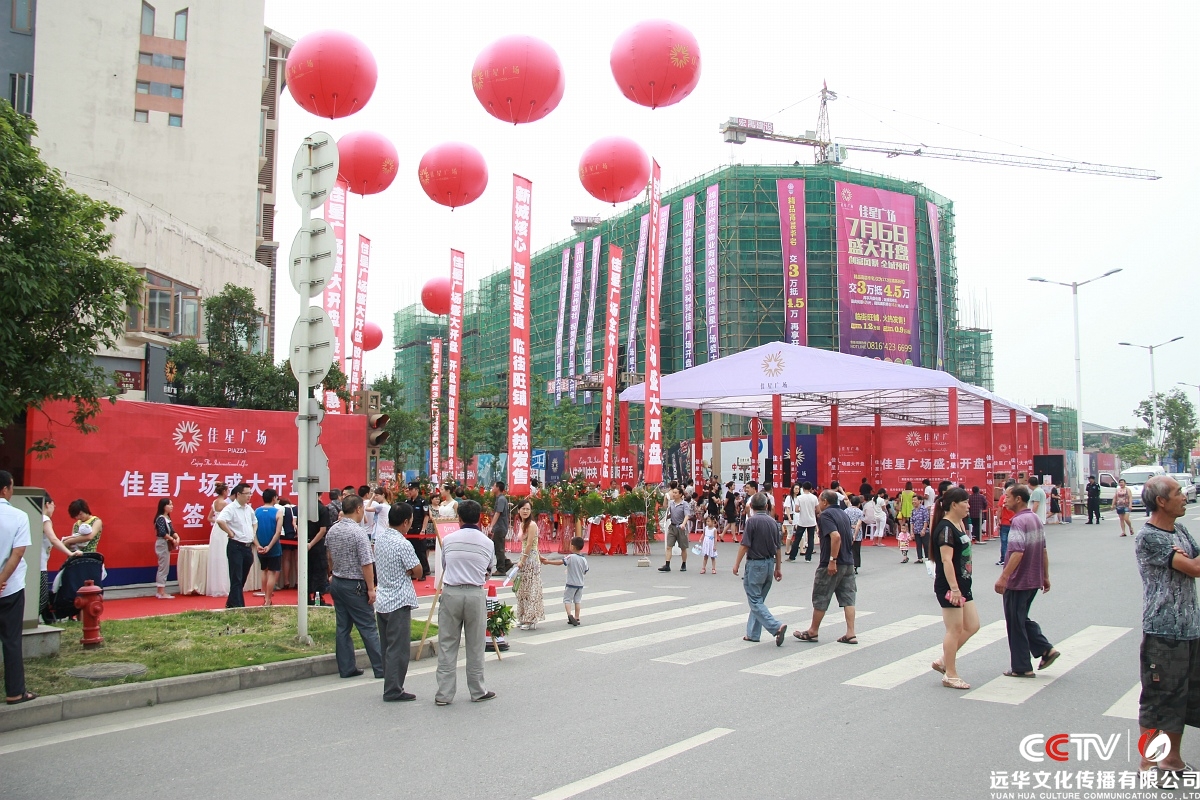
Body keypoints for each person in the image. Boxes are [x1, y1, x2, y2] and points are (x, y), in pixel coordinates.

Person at [1134, 476, 1200, 779]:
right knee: (1157, 698)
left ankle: (1171, 759)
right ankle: (1148, 763)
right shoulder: (1149, 536)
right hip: (1163, 630)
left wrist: (1189, 561)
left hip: (1189, 627)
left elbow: (1194, 560)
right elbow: (1195, 567)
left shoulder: (1180, 530)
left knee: (1182, 695)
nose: (1184, 496)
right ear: (1161, 501)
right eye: (1178, 492)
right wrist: (1188, 562)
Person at [994, 484, 1058, 678]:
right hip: (1033, 579)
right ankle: (1045, 649)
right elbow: (1043, 550)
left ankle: (1022, 666)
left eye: (1008, 497)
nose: (1005, 501)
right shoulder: (1035, 519)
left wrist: (1004, 577)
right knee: (1020, 618)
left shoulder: (1018, 521)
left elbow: (1017, 552)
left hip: (1018, 581)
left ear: (1018, 499)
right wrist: (1045, 576)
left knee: (1015, 623)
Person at [435, 499, 495, 705]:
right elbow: (489, 569)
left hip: (451, 592)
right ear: (479, 518)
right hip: (475, 593)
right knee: (476, 645)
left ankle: (444, 693)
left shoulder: (449, 540)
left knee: (447, 644)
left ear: (458, 518)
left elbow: (445, 565)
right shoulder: (488, 543)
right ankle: (477, 690)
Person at [325, 494, 384, 679]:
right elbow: (367, 563)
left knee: (343, 627)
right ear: (358, 509)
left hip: (337, 581)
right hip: (355, 584)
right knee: (368, 626)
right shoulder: (358, 533)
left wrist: (332, 572)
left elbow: (329, 555)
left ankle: (346, 667)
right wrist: (371, 588)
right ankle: (382, 668)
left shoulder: (333, 529)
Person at [930, 487, 981, 689]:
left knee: (973, 625)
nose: (968, 506)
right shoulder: (945, 529)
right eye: (965, 502)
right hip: (951, 586)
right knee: (954, 629)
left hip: (963, 584)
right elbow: (946, 560)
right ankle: (950, 674)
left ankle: (944, 660)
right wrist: (954, 588)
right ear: (953, 505)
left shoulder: (958, 524)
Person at [794, 490, 857, 644]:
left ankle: (813, 631)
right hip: (848, 562)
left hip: (832, 563)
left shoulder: (826, 515)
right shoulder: (844, 514)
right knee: (848, 599)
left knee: (821, 596)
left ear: (824, 501)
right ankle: (851, 633)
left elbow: (836, 536)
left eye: (819, 500)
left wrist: (832, 560)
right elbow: (850, 537)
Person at [375, 502, 422, 702]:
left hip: (383, 598)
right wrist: (409, 570)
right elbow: (418, 570)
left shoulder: (380, 538)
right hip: (399, 600)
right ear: (405, 522)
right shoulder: (403, 544)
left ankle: (390, 683)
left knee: (387, 646)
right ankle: (393, 689)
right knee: (399, 648)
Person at [731, 493, 787, 645]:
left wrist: (736, 564)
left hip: (755, 564)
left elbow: (745, 545)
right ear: (766, 506)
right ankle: (753, 633)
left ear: (751, 506)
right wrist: (778, 567)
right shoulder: (773, 522)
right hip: (769, 563)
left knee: (755, 600)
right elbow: (778, 548)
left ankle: (775, 626)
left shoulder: (752, 521)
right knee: (758, 600)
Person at [0, 470, 35, 705]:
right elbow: (18, 553)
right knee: (11, 640)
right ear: (5, 489)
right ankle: (15, 692)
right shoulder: (19, 516)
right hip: (10, 588)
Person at [216, 483, 257, 609]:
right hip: (236, 546)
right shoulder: (231, 508)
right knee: (236, 578)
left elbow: (255, 522)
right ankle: (238, 606)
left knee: (242, 578)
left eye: (250, 493)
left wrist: (253, 533)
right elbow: (220, 520)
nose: (249, 496)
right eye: (247, 494)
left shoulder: (248, 509)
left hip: (247, 547)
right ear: (238, 494)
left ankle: (231, 603)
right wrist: (230, 533)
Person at [37, 497, 76, 623]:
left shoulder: (35, 517)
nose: (54, 508)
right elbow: (53, 539)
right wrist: (70, 553)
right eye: (53, 505)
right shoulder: (45, 519)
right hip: (39, 565)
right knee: (42, 598)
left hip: (34, 563)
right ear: (47, 504)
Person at [512, 498, 545, 630]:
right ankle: (522, 616)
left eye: (528, 509)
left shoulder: (532, 525)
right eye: (523, 509)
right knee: (522, 588)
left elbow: (530, 544)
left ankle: (530, 619)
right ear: (518, 510)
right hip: (524, 556)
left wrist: (523, 560)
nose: (525, 511)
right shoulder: (522, 524)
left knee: (531, 588)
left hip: (530, 559)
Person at [541, 536, 589, 626]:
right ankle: (577, 617)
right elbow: (585, 571)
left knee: (567, 600)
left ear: (573, 546)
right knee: (577, 601)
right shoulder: (584, 559)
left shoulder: (571, 557)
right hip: (580, 584)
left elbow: (560, 562)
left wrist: (548, 562)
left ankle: (569, 615)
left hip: (571, 583)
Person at [253, 489, 283, 607]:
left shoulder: (257, 511)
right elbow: (278, 532)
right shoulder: (278, 512)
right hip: (273, 547)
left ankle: (264, 595)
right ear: (274, 498)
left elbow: (253, 531)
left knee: (264, 570)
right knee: (272, 572)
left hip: (260, 546)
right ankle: (268, 599)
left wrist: (257, 545)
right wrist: (270, 546)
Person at [206, 482, 231, 597]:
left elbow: (209, 518)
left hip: (216, 530)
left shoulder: (214, 502)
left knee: (217, 555)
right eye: (227, 490)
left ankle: (216, 586)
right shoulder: (225, 504)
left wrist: (216, 522)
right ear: (224, 491)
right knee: (224, 555)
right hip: (223, 530)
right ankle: (223, 586)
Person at [153, 498, 180, 599]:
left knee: (165, 567)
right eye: (169, 504)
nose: (172, 506)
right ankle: (161, 592)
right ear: (164, 506)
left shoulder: (167, 518)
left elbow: (172, 531)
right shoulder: (160, 518)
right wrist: (172, 539)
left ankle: (161, 590)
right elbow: (162, 533)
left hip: (166, 543)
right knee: (163, 567)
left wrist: (177, 537)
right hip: (162, 544)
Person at [659, 486, 690, 572]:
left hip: (681, 528)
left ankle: (683, 563)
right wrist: (666, 518)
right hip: (672, 527)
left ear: (680, 494)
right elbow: (667, 510)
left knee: (683, 547)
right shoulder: (671, 503)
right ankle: (667, 565)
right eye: (673, 492)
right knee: (669, 546)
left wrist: (683, 524)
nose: (673, 494)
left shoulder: (684, 504)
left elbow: (687, 515)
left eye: (676, 493)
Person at [307, 491, 330, 606]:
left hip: (306, 544)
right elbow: (322, 530)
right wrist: (311, 544)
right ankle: (318, 599)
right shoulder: (322, 509)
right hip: (317, 544)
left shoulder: (304, 507)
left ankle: (306, 598)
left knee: (307, 571)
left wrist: (307, 543)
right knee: (319, 571)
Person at [788, 482, 819, 562]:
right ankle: (808, 557)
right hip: (812, 521)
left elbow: (796, 510)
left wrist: (802, 510)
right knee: (811, 539)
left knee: (797, 539)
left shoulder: (799, 498)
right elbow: (818, 510)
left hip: (802, 521)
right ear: (811, 489)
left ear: (803, 488)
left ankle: (792, 556)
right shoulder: (814, 498)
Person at [405, 482, 431, 579]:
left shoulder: (422, 502)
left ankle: (423, 572)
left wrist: (423, 530)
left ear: (416, 490)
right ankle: (413, 571)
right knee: (411, 551)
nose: (410, 491)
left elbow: (426, 516)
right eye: (409, 489)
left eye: (411, 489)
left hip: (419, 529)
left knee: (420, 551)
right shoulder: (408, 502)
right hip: (410, 530)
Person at [491, 480, 512, 573]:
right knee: (497, 547)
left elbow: (497, 513)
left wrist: (491, 526)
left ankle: (501, 569)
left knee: (499, 548)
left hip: (500, 527)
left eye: (494, 486)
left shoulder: (501, 499)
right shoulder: (500, 498)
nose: (492, 488)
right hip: (499, 527)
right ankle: (506, 562)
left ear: (498, 488)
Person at [996, 479, 1017, 566]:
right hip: (1015, 522)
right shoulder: (1016, 498)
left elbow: (999, 509)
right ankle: (1013, 559)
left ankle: (1003, 559)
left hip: (1005, 522)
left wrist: (998, 520)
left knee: (1004, 542)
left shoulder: (1003, 497)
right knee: (1014, 541)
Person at [846, 495, 865, 572]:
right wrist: (855, 535)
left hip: (847, 532)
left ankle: (847, 565)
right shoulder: (860, 512)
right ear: (859, 504)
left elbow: (844, 522)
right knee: (856, 551)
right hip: (857, 534)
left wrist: (850, 525)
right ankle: (855, 566)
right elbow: (858, 524)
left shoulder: (846, 511)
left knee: (847, 549)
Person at [911, 499, 931, 564]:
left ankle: (929, 558)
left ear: (920, 501)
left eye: (915, 500)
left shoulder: (924, 509)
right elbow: (912, 521)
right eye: (912, 500)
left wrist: (924, 529)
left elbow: (926, 520)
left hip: (924, 530)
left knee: (926, 544)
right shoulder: (913, 510)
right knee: (918, 544)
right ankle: (920, 558)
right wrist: (912, 531)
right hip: (916, 530)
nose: (913, 501)